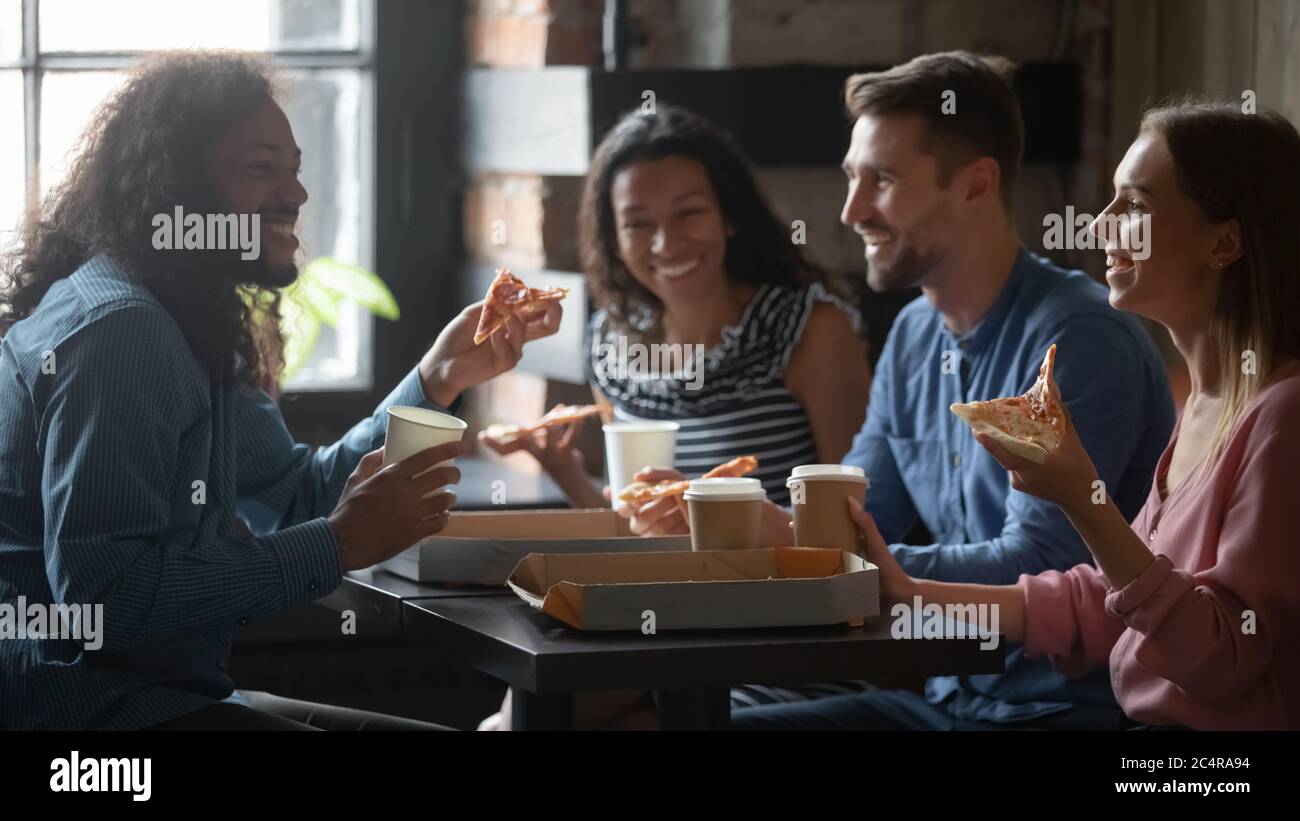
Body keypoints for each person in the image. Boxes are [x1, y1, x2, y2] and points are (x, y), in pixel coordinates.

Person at [0, 51, 560, 731]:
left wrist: (441, 378)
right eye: (260, 169)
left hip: (165, 699)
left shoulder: (180, 316)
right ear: (176, 189)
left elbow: (297, 495)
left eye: (294, 169)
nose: (294, 194)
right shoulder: (123, 333)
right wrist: (334, 545)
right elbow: (108, 602)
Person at [782, 99, 1300, 731]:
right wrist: (907, 591)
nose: (1100, 226)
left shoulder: (1283, 417)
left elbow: (1224, 655)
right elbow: (1106, 602)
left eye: (1133, 205)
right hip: (973, 700)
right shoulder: (1208, 406)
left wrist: (1081, 496)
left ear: (1224, 240)